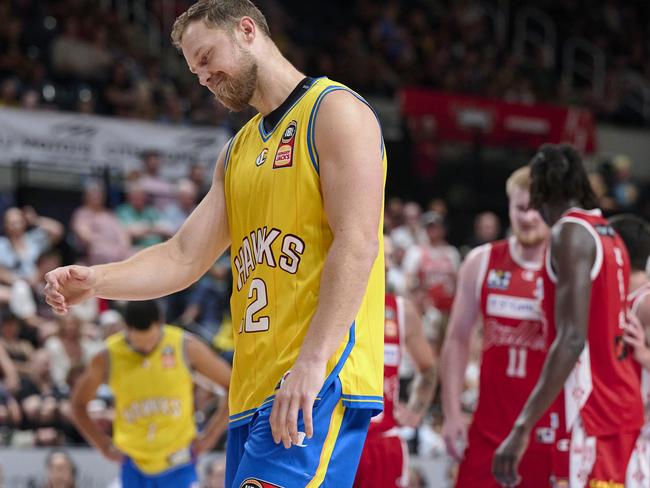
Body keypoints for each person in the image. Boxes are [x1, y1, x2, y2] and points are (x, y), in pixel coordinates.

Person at [46, 1, 386, 486]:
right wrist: (97, 279)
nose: (202, 77)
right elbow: (183, 256)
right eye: (194, 70)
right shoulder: (238, 150)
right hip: (252, 392)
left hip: (315, 380)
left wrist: (312, 366)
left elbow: (357, 244)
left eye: (206, 58)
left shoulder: (334, 112)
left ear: (247, 31)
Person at [493, 144, 644, 487]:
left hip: (594, 408)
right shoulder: (608, 232)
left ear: (541, 192)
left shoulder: (569, 232)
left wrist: (521, 427)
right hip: (620, 401)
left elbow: (573, 338)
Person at [441, 165, 567, 488]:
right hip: (488, 430)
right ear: (509, 207)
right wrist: (452, 412)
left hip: (547, 433)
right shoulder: (481, 261)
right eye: (520, 208)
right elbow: (456, 339)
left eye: (537, 208)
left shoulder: (568, 269)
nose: (528, 217)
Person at [70, 300, 231, 487]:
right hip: (133, 460)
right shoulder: (107, 356)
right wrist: (103, 445)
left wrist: (210, 437)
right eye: (140, 344)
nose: (147, 349)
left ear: (161, 323)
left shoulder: (185, 346)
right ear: (126, 329)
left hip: (178, 459)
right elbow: (78, 404)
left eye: (151, 342)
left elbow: (231, 385)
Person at [354, 235, 437, 488]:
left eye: (390, 256)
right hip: (335, 437)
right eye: (383, 255)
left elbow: (429, 369)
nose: (388, 264)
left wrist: (415, 410)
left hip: (382, 440)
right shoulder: (328, 303)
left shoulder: (402, 311)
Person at [610, 214, 650, 484]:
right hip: (619, 423)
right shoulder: (616, 293)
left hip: (642, 431)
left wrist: (645, 355)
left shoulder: (646, 302)